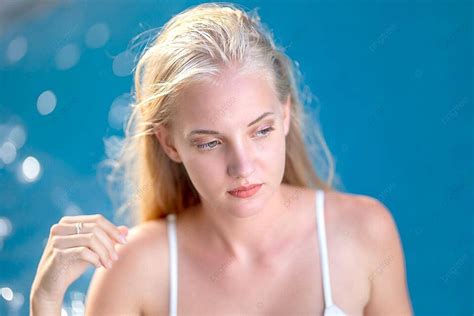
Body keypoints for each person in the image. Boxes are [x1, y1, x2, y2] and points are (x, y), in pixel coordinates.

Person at [30, 2, 413, 315]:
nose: (243, 167)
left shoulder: (363, 233)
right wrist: (45, 301)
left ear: (285, 116)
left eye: (260, 130)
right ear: (170, 144)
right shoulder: (136, 270)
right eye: (210, 143)